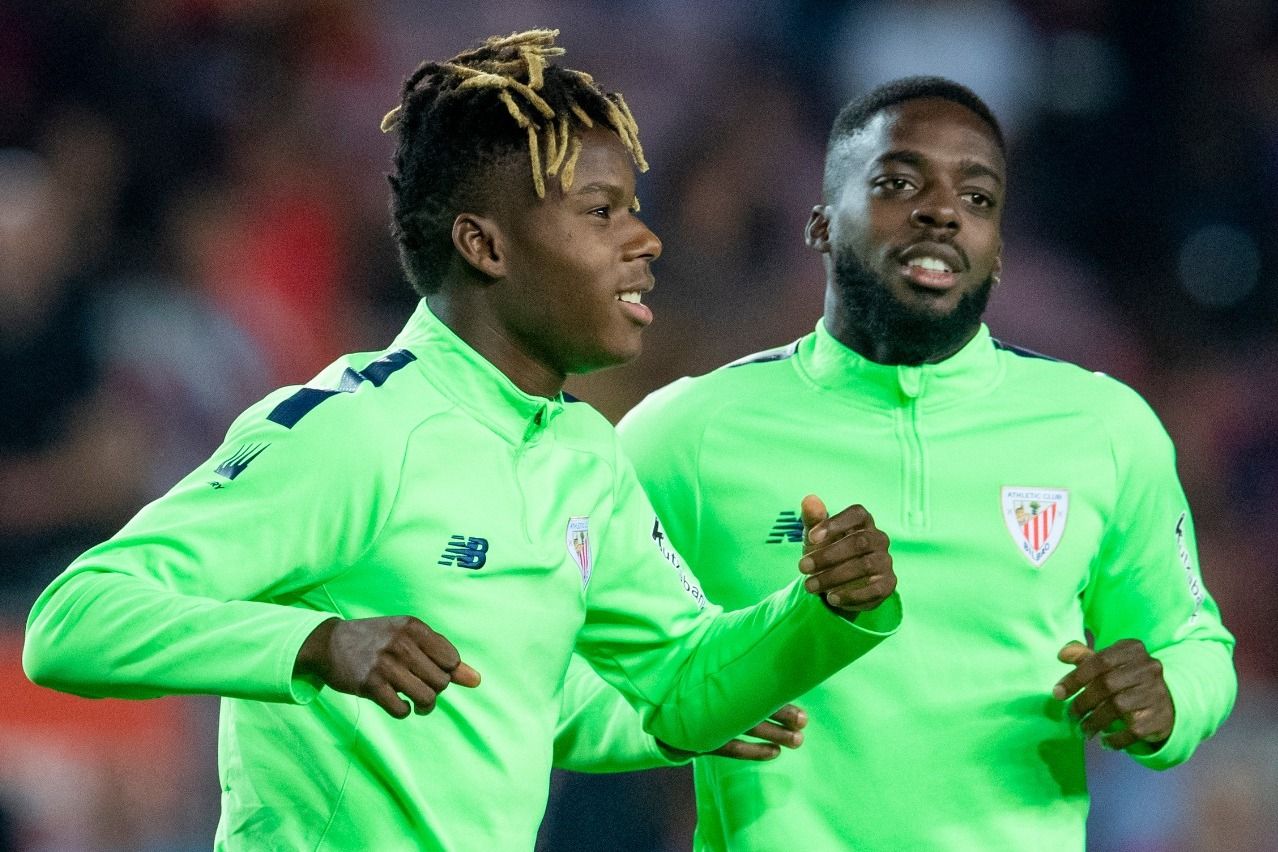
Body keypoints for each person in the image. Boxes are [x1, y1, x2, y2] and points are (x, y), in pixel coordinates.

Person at [21, 30, 903, 850]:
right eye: (600, 212)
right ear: (485, 244)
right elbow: (72, 622)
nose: (644, 238)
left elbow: (641, 686)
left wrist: (814, 617)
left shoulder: (585, 458)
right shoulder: (354, 430)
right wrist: (313, 646)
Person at [616, 76, 1237, 850]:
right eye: (898, 183)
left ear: (998, 249)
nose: (943, 210)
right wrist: (678, 719)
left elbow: (1193, 642)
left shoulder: (1103, 427)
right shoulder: (691, 433)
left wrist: (1167, 698)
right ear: (819, 224)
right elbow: (560, 648)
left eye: (978, 199)